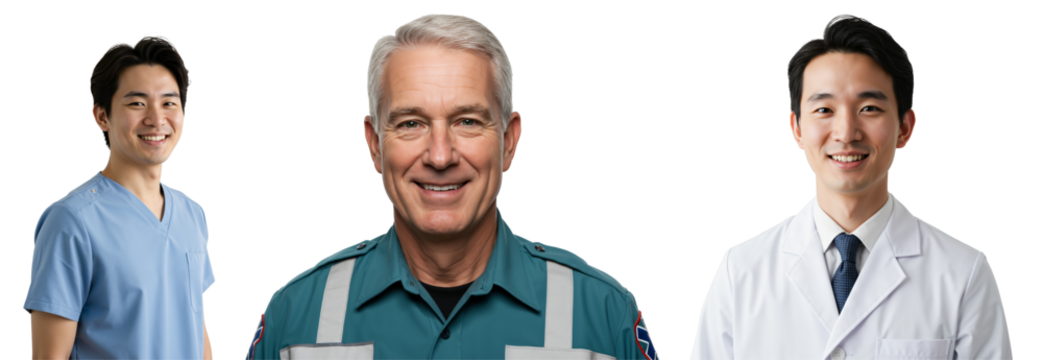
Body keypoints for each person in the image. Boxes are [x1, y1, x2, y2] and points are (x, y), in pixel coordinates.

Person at [243, 13, 660, 360]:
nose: (440, 156)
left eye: (468, 121)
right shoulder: (294, 319)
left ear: (509, 142)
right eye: (411, 123)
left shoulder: (604, 316)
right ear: (374, 146)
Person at [689, 13, 1013, 360]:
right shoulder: (741, 272)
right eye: (825, 109)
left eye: (869, 108)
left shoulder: (963, 274)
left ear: (905, 127)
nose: (846, 132)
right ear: (796, 128)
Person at [23, 35, 216, 360]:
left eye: (169, 102)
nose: (156, 119)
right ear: (101, 116)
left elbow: (197, 331)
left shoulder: (192, 214)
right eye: (137, 103)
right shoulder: (71, 221)